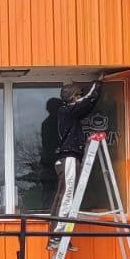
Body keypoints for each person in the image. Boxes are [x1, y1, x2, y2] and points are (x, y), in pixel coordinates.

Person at [46, 79, 101, 247]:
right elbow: (88, 101)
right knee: (68, 194)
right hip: (68, 157)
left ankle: (55, 234)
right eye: (78, 96)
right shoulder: (66, 111)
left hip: (65, 158)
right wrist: (98, 83)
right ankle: (58, 235)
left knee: (62, 195)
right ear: (72, 97)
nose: (80, 98)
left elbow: (86, 106)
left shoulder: (67, 114)